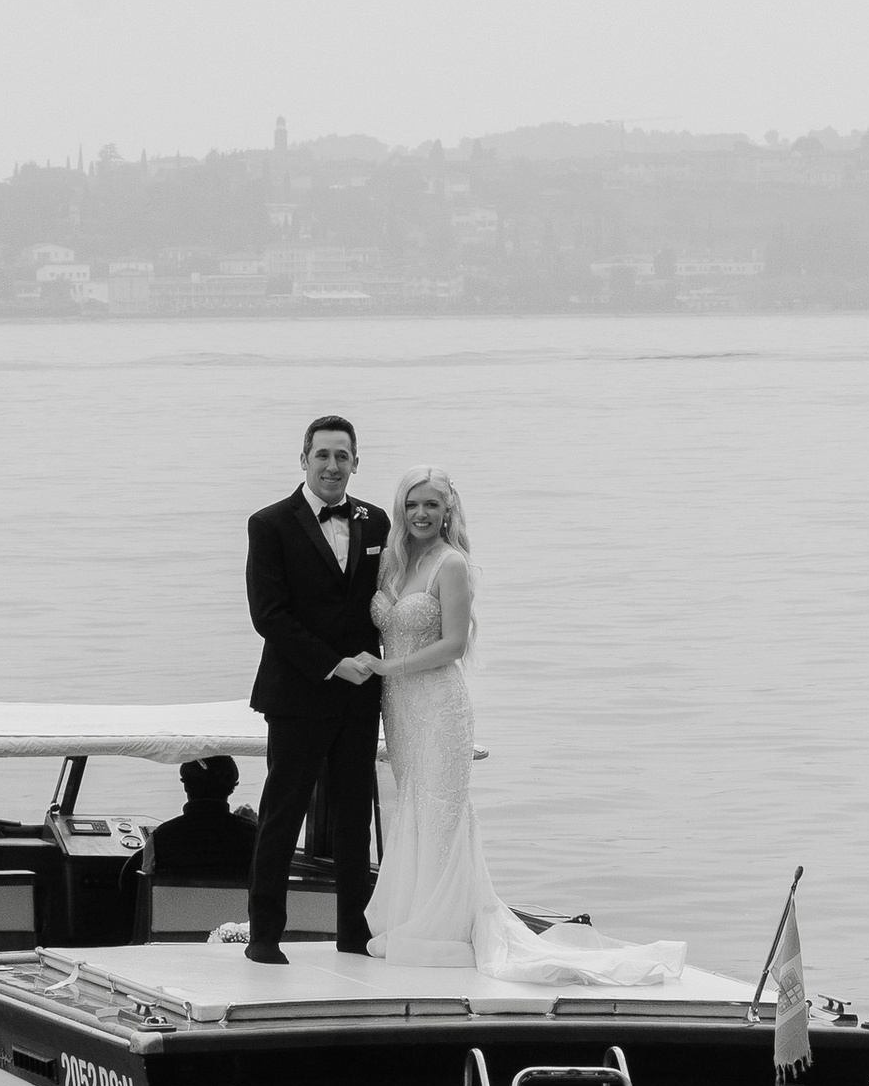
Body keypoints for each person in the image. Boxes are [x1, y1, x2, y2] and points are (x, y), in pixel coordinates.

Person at [343, 469, 685, 987]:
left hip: (438, 704)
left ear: (448, 511)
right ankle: (409, 921)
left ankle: (442, 931)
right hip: (400, 709)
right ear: (400, 509)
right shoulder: (394, 562)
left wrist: (390, 666)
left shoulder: (451, 564)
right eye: (412, 505)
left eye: (432, 505)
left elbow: (454, 644)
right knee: (412, 806)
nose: (421, 514)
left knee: (441, 814)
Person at [241, 413, 387, 963]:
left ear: (356, 462)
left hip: (360, 696)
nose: (332, 465)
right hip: (297, 693)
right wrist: (331, 664)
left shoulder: (377, 522)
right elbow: (269, 615)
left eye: (341, 456)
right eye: (322, 455)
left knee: (355, 817)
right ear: (303, 459)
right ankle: (263, 937)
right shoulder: (269, 523)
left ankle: (354, 933)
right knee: (283, 813)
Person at [148, 754, 259, 884]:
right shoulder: (254, 838)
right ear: (231, 788)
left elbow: (144, 883)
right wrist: (255, 827)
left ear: (186, 786)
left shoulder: (160, 838)